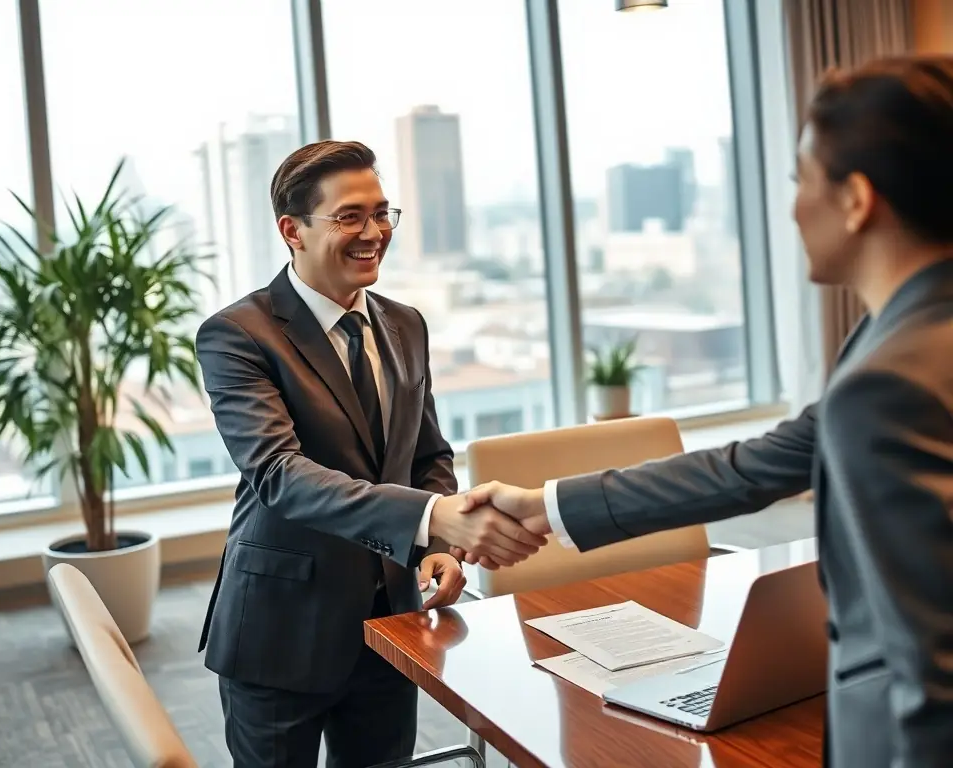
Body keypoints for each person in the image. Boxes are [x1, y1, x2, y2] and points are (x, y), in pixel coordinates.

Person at [457, 56, 953, 767]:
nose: (791, 208)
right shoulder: (898, 341)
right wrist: (543, 506)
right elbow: (756, 466)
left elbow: (936, 671)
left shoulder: (888, 381)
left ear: (855, 200)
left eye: (800, 181)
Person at [195, 140, 545, 768]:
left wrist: (438, 545)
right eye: (349, 217)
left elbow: (428, 453)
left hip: (391, 620)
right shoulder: (238, 334)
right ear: (292, 231)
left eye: (382, 213)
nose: (374, 232)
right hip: (282, 628)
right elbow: (279, 474)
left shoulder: (406, 323)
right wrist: (429, 518)